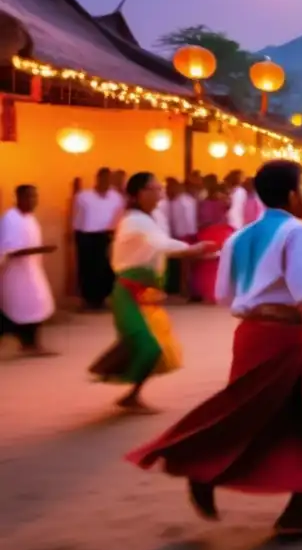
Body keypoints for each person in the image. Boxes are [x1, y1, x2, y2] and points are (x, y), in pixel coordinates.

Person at [126, 160, 302, 537]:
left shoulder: (239, 236)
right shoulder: (297, 229)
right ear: (293, 194)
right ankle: (270, 500)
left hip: (251, 333)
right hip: (284, 336)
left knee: (259, 414)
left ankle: (270, 497)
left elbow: (224, 294)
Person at [88, 173, 212, 412]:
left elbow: (160, 248)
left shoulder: (149, 218)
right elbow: (162, 244)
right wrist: (193, 249)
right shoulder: (136, 220)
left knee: (156, 345)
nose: (160, 193)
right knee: (148, 345)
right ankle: (129, 392)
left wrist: (192, 251)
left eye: (160, 189)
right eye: (155, 189)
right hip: (128, 294)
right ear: (140, 193)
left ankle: (129, 392)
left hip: (145, 294)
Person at [0, 185, 58, 356]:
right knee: (21, 307)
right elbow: (9, 251)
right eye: (29, 197)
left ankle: (31, 344)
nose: (33, 201)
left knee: (37, 303)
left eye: (35, 197)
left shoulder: (30, 218)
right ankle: (29, 344)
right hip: (16, 274)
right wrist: (40, 250)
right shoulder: (10, 219)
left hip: (32, 270)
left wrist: (38, 252)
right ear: (18, 198)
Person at [73, 167, 123, 310]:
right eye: (104, 178)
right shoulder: (83, 196)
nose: (106, 181)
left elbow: (119, 215)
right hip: (87, 235)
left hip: (107, 235)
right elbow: (77, 217)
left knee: (107, 268)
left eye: (109, 179)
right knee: (88, 267)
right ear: (98, 178)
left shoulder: (116, 197)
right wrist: (76, 234)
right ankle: (89, 299)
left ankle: (103, 298)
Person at [193, 182, 233, 304]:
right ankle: (214, 294)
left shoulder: (203, 203)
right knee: (214, 266)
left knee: (208, 266)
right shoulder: (220, 202)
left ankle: (209, 294)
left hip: (210, 233)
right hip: (218, 233)